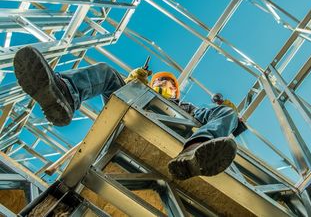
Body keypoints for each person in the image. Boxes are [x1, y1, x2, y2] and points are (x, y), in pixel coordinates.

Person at [13, 46, 244, 180]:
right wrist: (135, 82)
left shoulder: (188, 109)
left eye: (169, 82)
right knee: (105, 72)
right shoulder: (140, 90)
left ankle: (193, 152)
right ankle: (62, 96)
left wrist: (229, 119)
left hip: (174, 137)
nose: (164, 83)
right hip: (129, 115)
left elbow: (216, 116)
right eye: (160, 80)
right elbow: (125, 91)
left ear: (176, 90)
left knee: (224, 113)